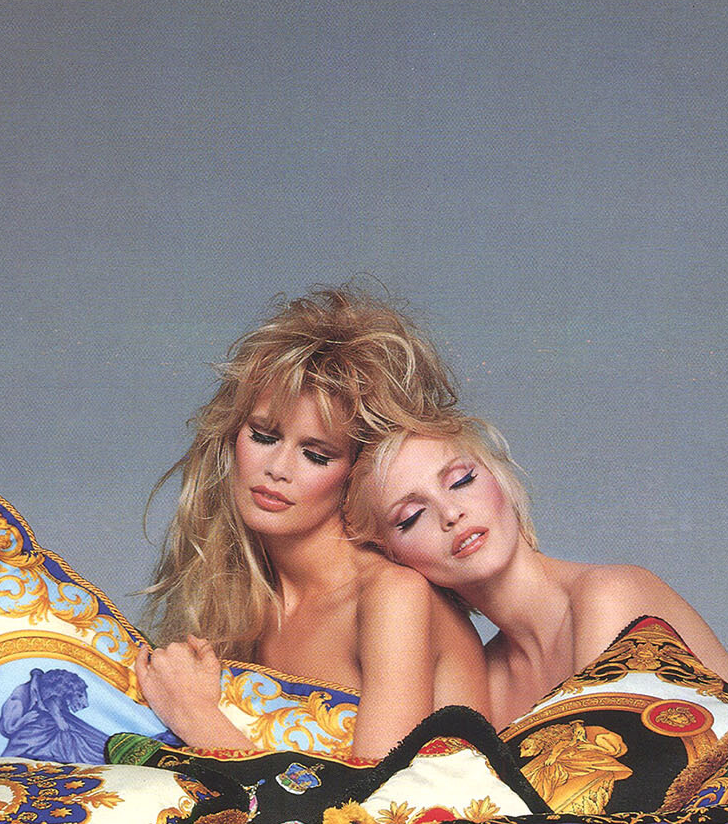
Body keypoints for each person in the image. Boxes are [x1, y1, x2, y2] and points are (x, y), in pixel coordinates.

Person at [136, 288, 490, 758]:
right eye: (263, 436)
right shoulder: (246, 600)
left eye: (316, 454)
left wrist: (195, 716)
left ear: (357, 473)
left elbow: (374, 798)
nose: (278, 468)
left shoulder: (391, 595)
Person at [344, 413, 728, 728]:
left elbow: (610, 786)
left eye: (461, 480)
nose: (451, 513)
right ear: (393, 557)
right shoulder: (485, 680)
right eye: (412, 516)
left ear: (499, 476)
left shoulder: (608, 596)